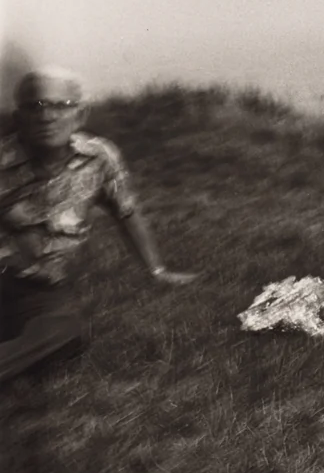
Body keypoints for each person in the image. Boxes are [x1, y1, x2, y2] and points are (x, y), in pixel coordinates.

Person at [1, 67, 197, 384]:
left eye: (60, 105)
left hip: (40, 291)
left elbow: (127, 212)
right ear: (19, 116)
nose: (47, 116)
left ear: (80, 114)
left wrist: (157, 271)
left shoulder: (99, 157)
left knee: (68, 332)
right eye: (35, 106)